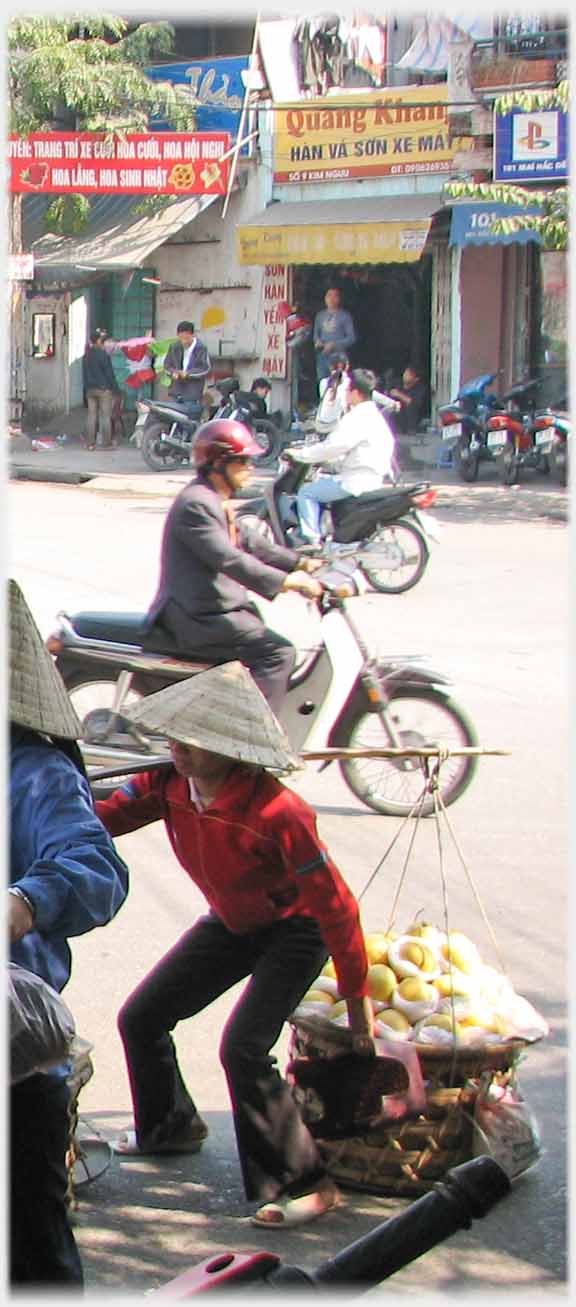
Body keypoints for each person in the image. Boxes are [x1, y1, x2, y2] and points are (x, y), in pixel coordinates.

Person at [95, 662, 375, 1228]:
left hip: (297, 929)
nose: (178, 749)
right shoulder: (166, 785)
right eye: (174, 736)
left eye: (195, 742)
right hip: (232, 920)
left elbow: (337, 906)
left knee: (244, 1047)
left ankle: (309, 1183)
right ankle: (170, 1126)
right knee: (142, 1017)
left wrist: (357, 1001)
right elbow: (102, 818)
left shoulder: (278, 811)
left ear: (232, 748)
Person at [8, 579, 129, 1288]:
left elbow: (93, 863)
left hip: (14, 1068)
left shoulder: (34, 772)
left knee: (34, 1255)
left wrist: (22, 902)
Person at [142, 418, 324, 716]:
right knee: (278, 653)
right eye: (242, 461)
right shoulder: (196, 504)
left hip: (213, 610)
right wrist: (289, 582)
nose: (250, 468)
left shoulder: (214, 499)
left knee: (261, 636)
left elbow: (250, 542)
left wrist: (302, 562)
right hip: (194, 616)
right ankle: (253, 737)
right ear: (217, 463)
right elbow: (228, 558)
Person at [286, 368, 396, 545]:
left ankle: (312, 541)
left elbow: (333, 446)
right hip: (371, 476)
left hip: (355, 481)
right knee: (324, 483)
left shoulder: (357, 417)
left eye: (347, 391)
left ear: (355, 393)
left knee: (307, 493)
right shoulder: (373, 415)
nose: (344, 394)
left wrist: (301, 455)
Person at [82, 328, 121, 451]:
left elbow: (83, 374)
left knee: (91, 416)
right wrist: (115, 389)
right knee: (105, 416)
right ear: (98, 341)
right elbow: (109, 374)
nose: (103, 342)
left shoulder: (85, 356)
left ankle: (90, 443)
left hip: (90, 390)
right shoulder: (103, 355)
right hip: (103, 390)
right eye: (101, 340)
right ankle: (106, 443)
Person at [164, 320, 212, 418]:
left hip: (192, 393)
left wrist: (188, 374)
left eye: (186, 338)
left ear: (192, 335)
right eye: (181, 338)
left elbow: (205, 369)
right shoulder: (174, 347)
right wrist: (173, 373)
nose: (183, 341)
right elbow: (167, 366)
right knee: (174, 420)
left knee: (190, 421)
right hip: (176, 392)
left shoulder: (201, 348)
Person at [313, 288, 356, 386]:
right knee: (323, 384)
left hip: (338, 357)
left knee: (339, 384)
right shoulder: (320, 316)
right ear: (325, 298)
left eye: (335, 296)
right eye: (329, 296)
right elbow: (316, 335)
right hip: (322, 356)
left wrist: (334, 345)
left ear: (339, 299)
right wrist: (318, 342)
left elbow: (351, 338)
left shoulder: (345, 316)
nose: (331, 299)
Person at [314, 353, 351, 435]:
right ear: (347, 366)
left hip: (321, 428)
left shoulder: (323, 383)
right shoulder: (350, 384)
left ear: (330, 367)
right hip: (339, 430)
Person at [388, 364, 427, 435]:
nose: (405, 375)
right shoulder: (397, 384)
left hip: (411, 420)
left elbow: (414, 404)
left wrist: (399, 394)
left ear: (416, 379)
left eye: (409, 374)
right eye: (405, 373)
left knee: (411, 406)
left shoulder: (420, 388)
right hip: (397, 417)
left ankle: (411, 430)